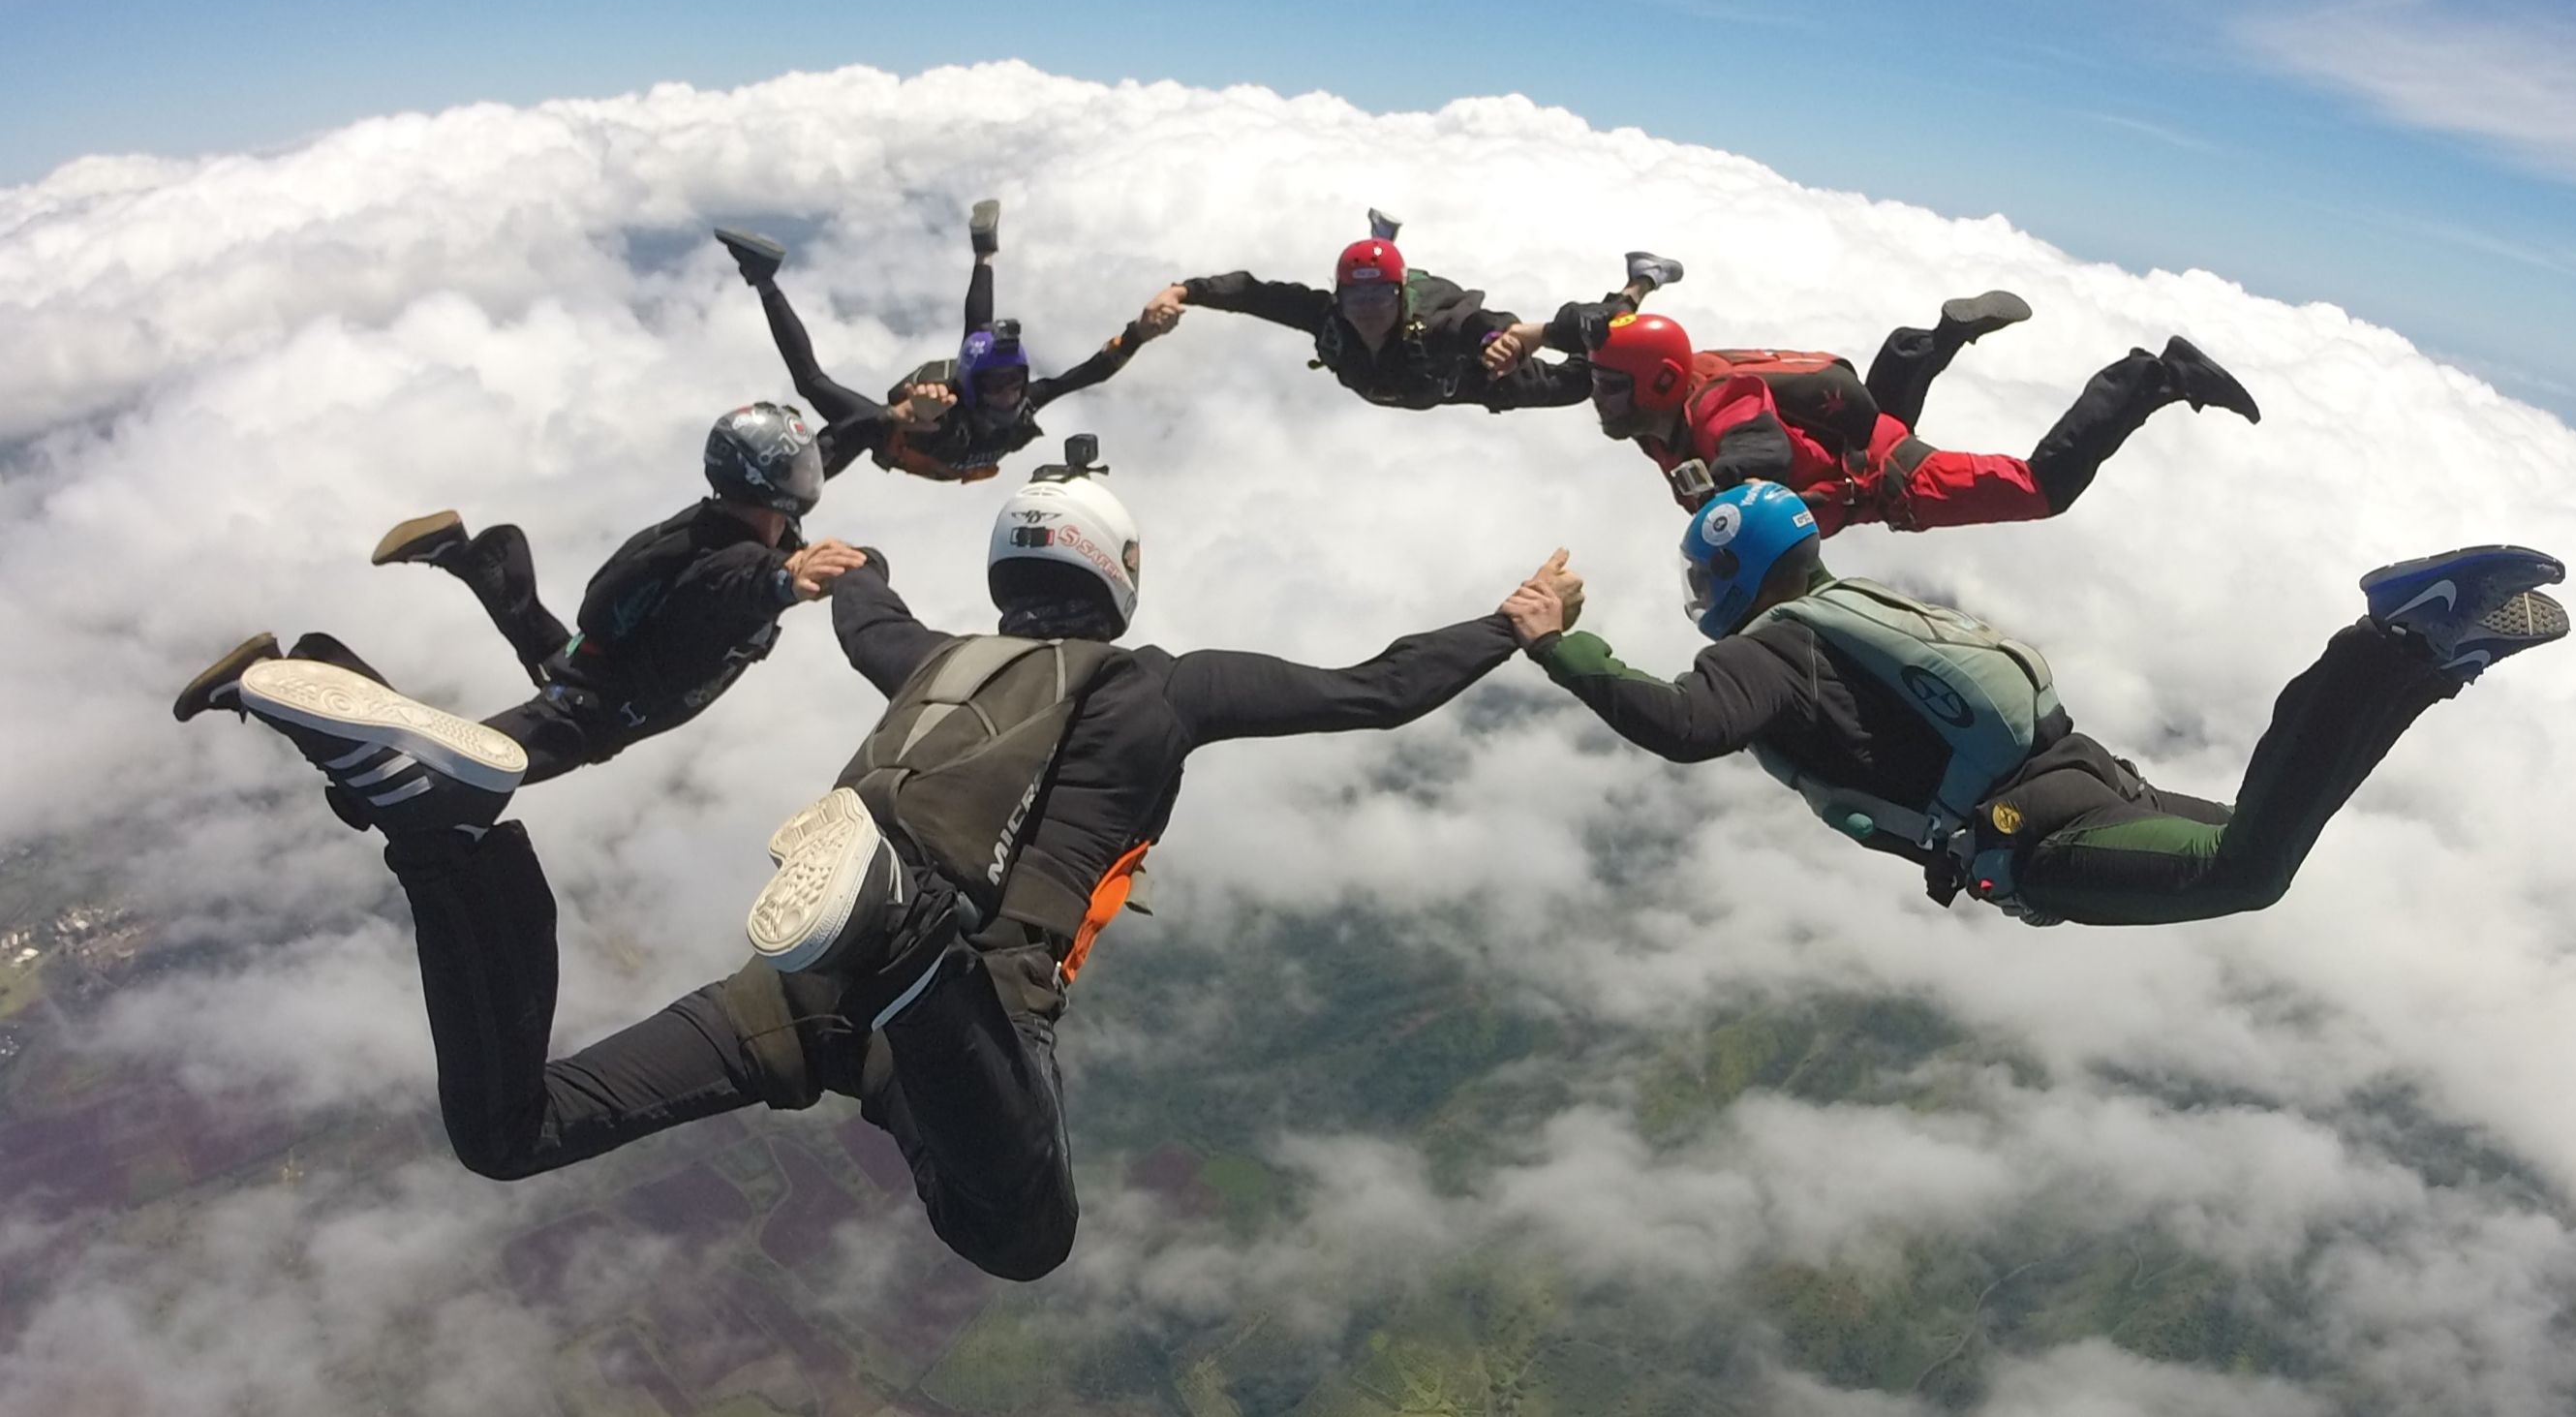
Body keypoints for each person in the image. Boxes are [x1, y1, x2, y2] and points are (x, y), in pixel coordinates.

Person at [191, 441, 1558, 1280]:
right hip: (961, 993)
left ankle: (451, 840)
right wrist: (1513, 618)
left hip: (780, 989)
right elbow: (1375, 688)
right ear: (1115, 573)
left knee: (512, 1133)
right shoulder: (1162, 685)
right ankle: (906, 937)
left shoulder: (931, 654)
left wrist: (856, 561)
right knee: (1020, 1233)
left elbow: (868, 613)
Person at [1500, 480, 2568, 926]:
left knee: (2247, 873)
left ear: (1727, 580)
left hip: (2033, 838)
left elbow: (1681, 729)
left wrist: (1560, 645)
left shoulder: (1769, 654)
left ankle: (2386, 639)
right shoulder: (1845, 601)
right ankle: (2427, 658)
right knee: (2270, 837)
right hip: (2087, 781)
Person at [173, 403, 866, 785]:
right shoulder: (736, 564)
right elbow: (734, 589)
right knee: (429, 777)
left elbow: (826, 460)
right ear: (776, 480)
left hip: (601, 672)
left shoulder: (731, 526)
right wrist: (784, 582)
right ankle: (265, 680)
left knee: (548, 653)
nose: (812, 472)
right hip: (585, 715)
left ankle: (470, 556)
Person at [1571, 300, 2260, 531]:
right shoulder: (1662, 399)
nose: (1597, 396)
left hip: (1892, 479)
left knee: (2040, 490)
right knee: (1875, 431)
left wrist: (1725, 487)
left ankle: (2154, 376)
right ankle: (1930, 342)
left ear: (1660, 380)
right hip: (1854, 437)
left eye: (1609, 385)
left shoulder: (1718, 404)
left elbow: (1760, 449)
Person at [724, 200, 1168, 485]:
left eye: (1016, 379)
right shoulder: (946, 410)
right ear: (971, 390)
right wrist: (911, 414)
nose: (1010, 392)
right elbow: (923, 415)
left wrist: (1138, 335)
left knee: (979, 337)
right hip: (890, 435)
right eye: (997, 385)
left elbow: (1088, 373)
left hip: (920, 442)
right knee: (814, 386)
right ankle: (763, 281)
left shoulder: (1028, 401)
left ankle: (985, 253)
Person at [1143, 206, 1681, 414]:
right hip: (1412, 382)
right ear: (1340, 297)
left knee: (1582, 378)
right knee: (1367, 275)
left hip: (1466, 379)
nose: (1369, 309)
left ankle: (1641, 279)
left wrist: (1508, 341)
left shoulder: (1440, 324)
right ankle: (1382, 244)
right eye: (1356, 296)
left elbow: (1479, 326)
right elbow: (1252, 294)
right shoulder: (1329, 315)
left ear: (1401, 297)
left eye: (1381, 295)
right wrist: (1181, 291)